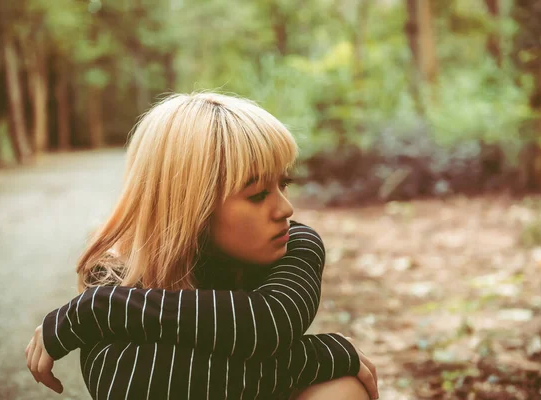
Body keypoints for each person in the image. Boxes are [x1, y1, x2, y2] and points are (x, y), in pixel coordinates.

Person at [25, 92, 378, 399]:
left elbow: (269, 322)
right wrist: (321, 355)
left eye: (283, 184)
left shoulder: (296, 243)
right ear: (191, 207)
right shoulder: (112, 276)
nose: (285, 209)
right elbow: (135, 384)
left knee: (341, 390)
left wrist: (101, 310)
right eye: (257, 194)